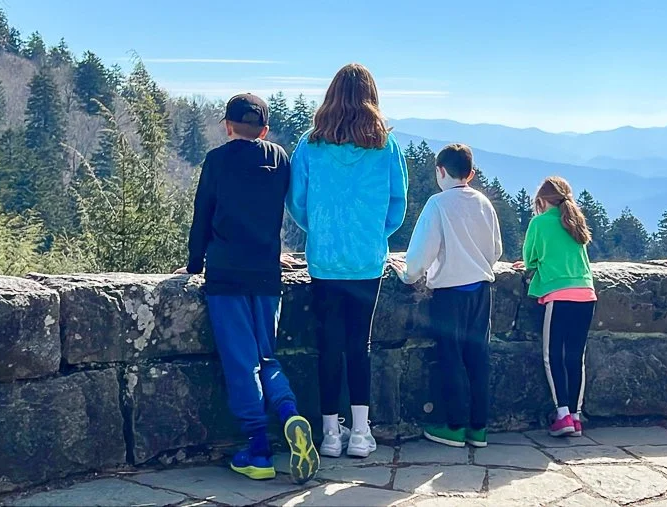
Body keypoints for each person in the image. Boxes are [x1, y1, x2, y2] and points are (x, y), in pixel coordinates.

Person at [180, 93, 319, 483]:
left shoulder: (217, 160)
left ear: (227, 125)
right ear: (264, 129)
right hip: (266, 275)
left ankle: (258, 450)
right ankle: (290, 415)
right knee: (266, 357)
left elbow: (202, 215)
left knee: (242, 363)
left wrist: (194, 265)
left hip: (226, 275)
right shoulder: (279, 159)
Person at [286, 63, 408, 458]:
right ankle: (359, 431)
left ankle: (329, 433)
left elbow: (297, 202)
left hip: (324, 258)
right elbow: (398, 205)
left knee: (328, 344)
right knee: (360, 344)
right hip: (366, 260)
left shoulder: (310, 143)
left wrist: (319, 230)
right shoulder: (386, 146)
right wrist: (374, 234)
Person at [389, 144, 502, 448]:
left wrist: (406, 272)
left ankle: (454, 426)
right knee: (478, 358)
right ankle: (479, 428)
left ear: (440, 171)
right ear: (471, 173)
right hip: (481, 290)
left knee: (450, 357)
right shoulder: (483, 203)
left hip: (450, 293)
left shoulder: (438, 204)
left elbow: (421, 254)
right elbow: (496, 250)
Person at [513, 176, 597, 438]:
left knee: (553, 356)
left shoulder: (539, 223)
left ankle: (562, 415)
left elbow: (530, 258)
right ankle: (576, 415)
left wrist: (528, 266)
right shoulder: (575, 222)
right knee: (575, 357)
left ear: (541, 200)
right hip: (586, 293)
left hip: (559, 295)